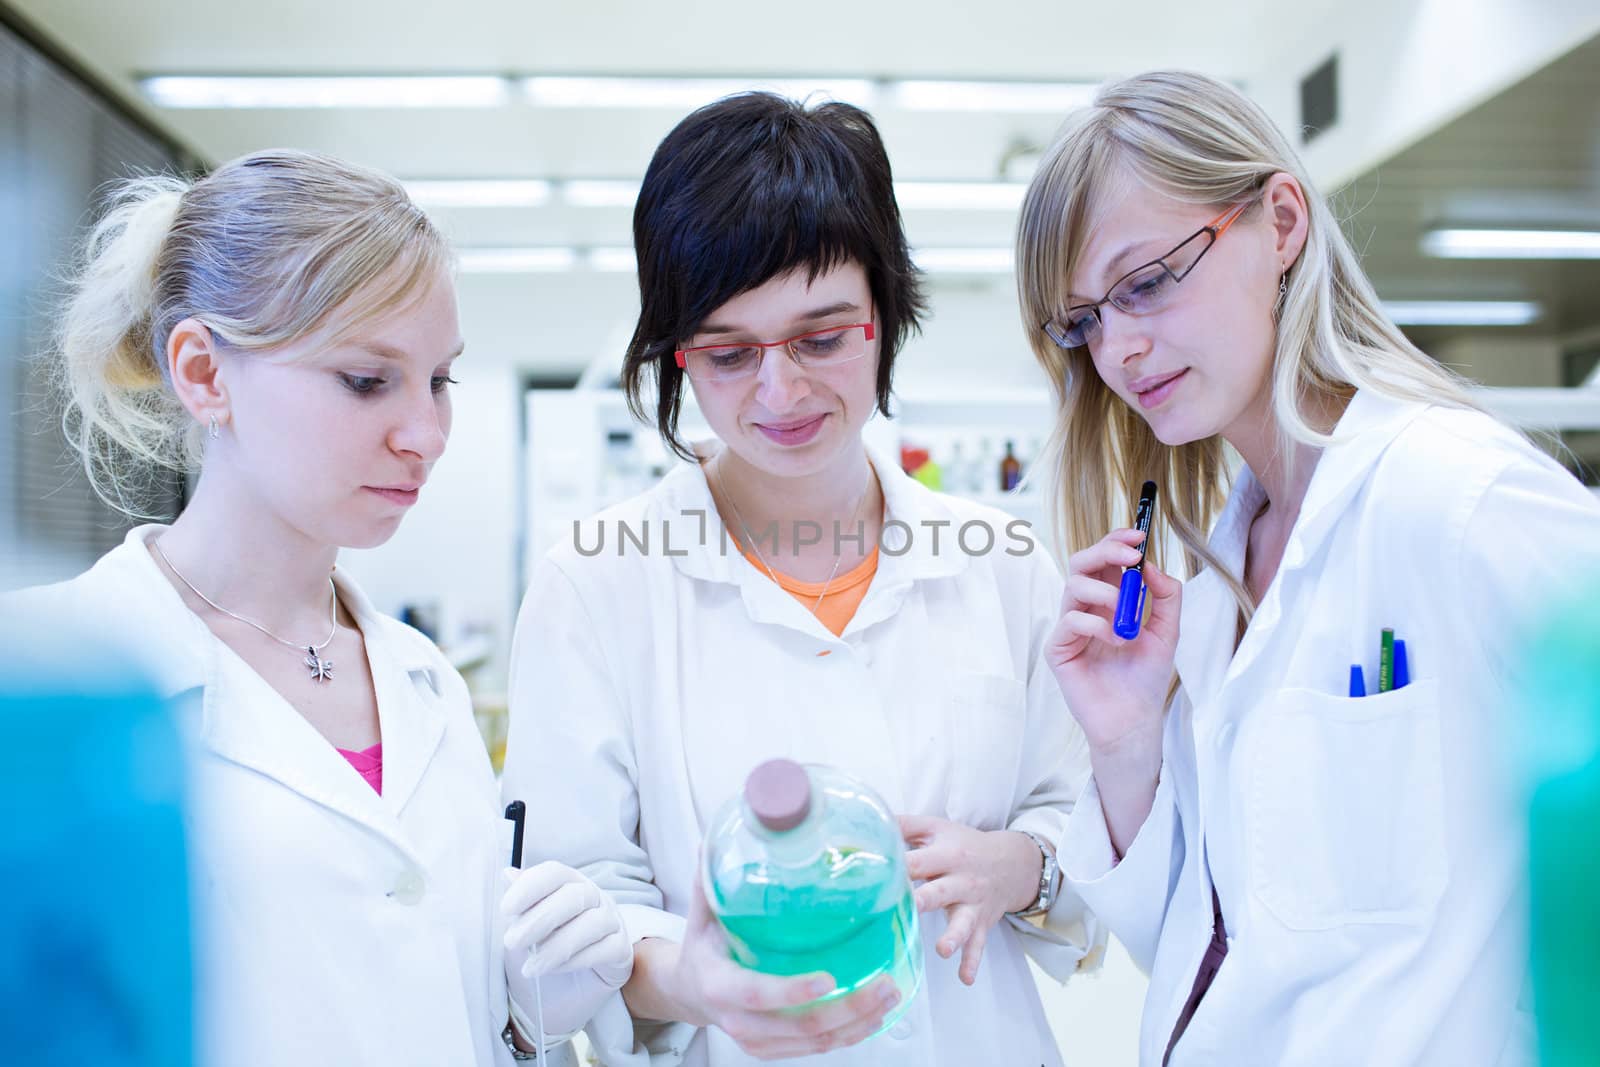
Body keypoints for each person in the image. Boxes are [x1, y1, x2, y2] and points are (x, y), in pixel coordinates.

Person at [1015, 69, 1600, 1066]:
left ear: (1279, 221)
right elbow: (1216, 956)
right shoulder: (1210, 586)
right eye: (1083, 322)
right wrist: (1124, 747)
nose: (1118, 349)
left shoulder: (1457, 500)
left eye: (1145, 282)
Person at [503, 92, 1102, 1067]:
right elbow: (575, 910)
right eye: (730, 353)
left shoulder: (998, 563)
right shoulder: (596, 582)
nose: (778, 392)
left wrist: (1018, 865)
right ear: (676, 351)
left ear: (884, 313)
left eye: (821, 337)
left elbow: (1077, 818)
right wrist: (692, 976)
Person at [6, 149, 627, 1066]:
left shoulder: (428, 688)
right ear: (204, 374)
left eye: (440, 379)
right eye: (367, 380)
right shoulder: (52, 672)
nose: (425, 434)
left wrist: (524, 1011)